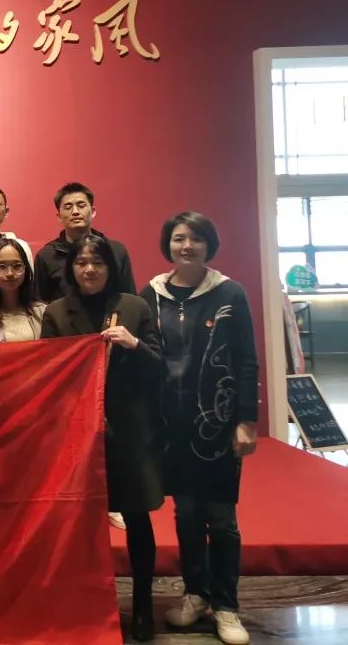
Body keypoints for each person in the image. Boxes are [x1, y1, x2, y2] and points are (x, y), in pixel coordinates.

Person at [40, 235, 166, 642]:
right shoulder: (57, 313)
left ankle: (143, 606)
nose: (89, 269)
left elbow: (158, 366)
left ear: (111, 267)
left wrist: (133, 344)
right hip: (79, 433)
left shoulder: (134, 306)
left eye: (97, 262)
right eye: (81, 262)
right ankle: (87, 603)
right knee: (80, 525)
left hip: (128, 432)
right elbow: (48, 377)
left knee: (137, 518)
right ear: (71, 268)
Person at [140, 212, 258, 645]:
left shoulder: (230, 293)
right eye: (178, 238)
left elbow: (246, 360)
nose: (186, 246)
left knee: (221, 518)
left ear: (210, 245)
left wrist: (246, 420)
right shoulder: (151, 295)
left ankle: (226, 605)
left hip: (218, 424)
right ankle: (195, 594)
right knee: (187, 513)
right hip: (171, 425)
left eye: (196, 238)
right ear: (167, 244)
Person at [33, 182, 136, 303]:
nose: (75, 211)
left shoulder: (116, 251)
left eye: (81, 205)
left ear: (93, 211)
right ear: (59, 215)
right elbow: (39, 304)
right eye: (68, 207)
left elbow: (130, 299)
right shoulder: (47, 256)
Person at [0, 238, 45, 341]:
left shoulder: (42, 312)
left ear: (26, 269)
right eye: (2, 267)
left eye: (17, 266)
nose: (10, 273)